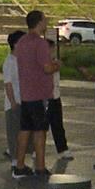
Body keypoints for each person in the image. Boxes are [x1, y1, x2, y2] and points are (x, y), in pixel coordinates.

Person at [13, 10, 60, 178]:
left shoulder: (22, 42)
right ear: (39, 22)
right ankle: (40, 167)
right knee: (40, 131)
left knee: (25, 129)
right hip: (40, 94)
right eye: (45, 20)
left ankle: (19, 165)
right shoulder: (40, 44)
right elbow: (46, 68)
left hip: (26, 93)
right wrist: (56, 65)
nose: (46, 22)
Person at [2, 30, 26, 169]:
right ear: (16, 44)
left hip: (23, 101)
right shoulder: (9, 62)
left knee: (21, 132)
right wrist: (13, 102)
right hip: (14, 103)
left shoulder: (21, 60)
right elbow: (8, 84)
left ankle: (19, 159)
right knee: (13, 132)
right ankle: (14, 161)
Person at [46, 38, 72, 160]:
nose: (52, 51)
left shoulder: (55, 61)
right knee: (41, 126)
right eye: (51, 48)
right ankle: (35, 149)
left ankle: (63, 149)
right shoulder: (44, 63)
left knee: (57, 124)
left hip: (55, 96)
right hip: (45, 98)